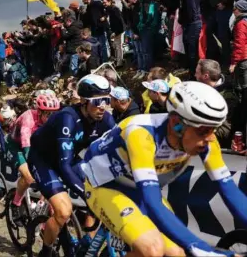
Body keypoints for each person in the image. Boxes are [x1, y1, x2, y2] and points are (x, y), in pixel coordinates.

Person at [81, 81, 247, 257]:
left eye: (213, 130)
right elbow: (151, 201)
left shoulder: (206, 142)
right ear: (177, 123)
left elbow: (229, 190)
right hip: (105, 186)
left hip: (137, 190)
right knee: (152, 250)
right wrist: (199, 248)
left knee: (177, 253)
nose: (210, 139)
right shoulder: (141, 134)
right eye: (203, 131)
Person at [28, 74, 115, 256]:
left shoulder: (105, 120)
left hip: (68, 157)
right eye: (97, 101)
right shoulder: (67, 118)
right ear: (84, 101)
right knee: (63, 211)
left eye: (106, 100)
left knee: (103, 195)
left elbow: (119, 151)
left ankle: (87, 242)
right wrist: (86, 194)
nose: (102, 106)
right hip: (44, 160)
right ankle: (46, 251)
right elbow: (64, 166)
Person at [7, 93, 61, 224]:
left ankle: (42, 207)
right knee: (28, 176)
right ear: (40, 111)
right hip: (16, 146)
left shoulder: (52, 122)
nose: (51, 117)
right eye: (48, 114)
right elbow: (26, 143)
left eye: (54, 114)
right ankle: (16, 203)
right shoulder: (28, 118)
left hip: (35, 144)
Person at [230, 0, 247, 147]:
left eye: (235, 9)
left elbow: (240, 45)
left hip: (243, 62)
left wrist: (234, 63)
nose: (233, 11)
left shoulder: (241, 23)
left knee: (242, 91)